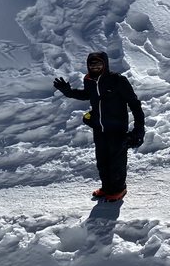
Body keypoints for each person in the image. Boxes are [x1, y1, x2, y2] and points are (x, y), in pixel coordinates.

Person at [54, 51, 145, 202]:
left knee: (117, 162)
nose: (95, 66)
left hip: (117, 129)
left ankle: (119, 189)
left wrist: (139, 129)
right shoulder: (89, 80)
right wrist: (69, 92)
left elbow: (135, 104)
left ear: (105, 64)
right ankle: (107, 188)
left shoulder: (118, 80)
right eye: (92, 64)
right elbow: (87, 95)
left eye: (98, 63)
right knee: (102, 161)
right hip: (99, 129)